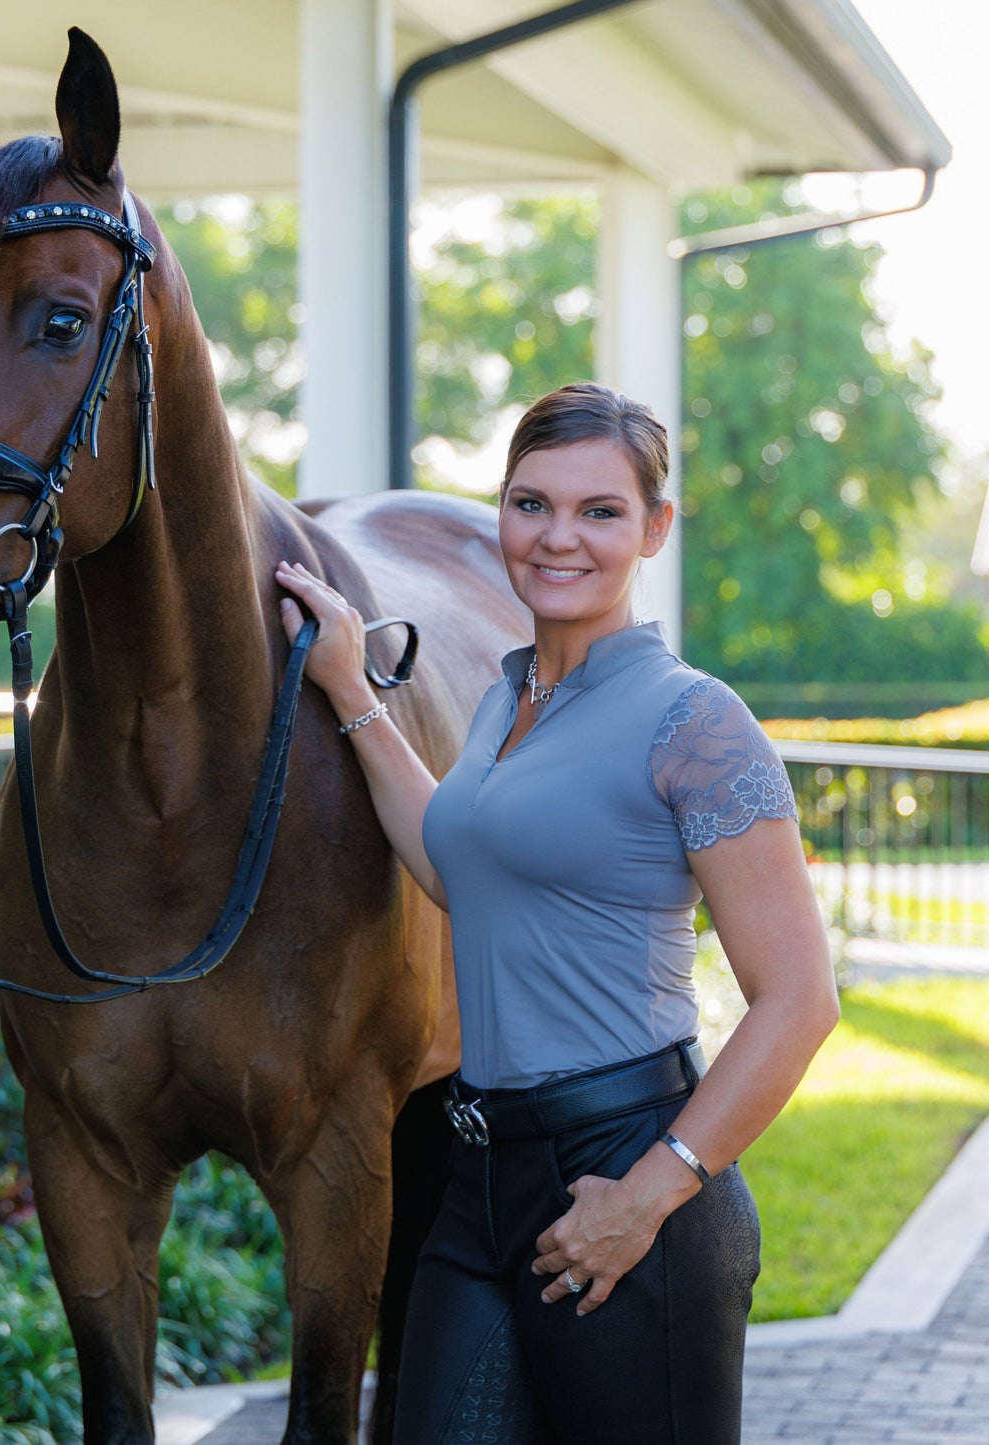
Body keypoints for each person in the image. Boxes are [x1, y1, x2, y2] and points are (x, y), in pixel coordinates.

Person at [275, 381, 838, 1444]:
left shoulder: (694, 721)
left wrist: (648, 1191)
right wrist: (352, 691)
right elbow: (456, 867)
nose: (556, 537)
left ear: (653, 527)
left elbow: (799, 998)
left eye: (599, 510)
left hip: (626, 1171)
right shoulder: (506, 699)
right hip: (475, 1177)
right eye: (530, 504)